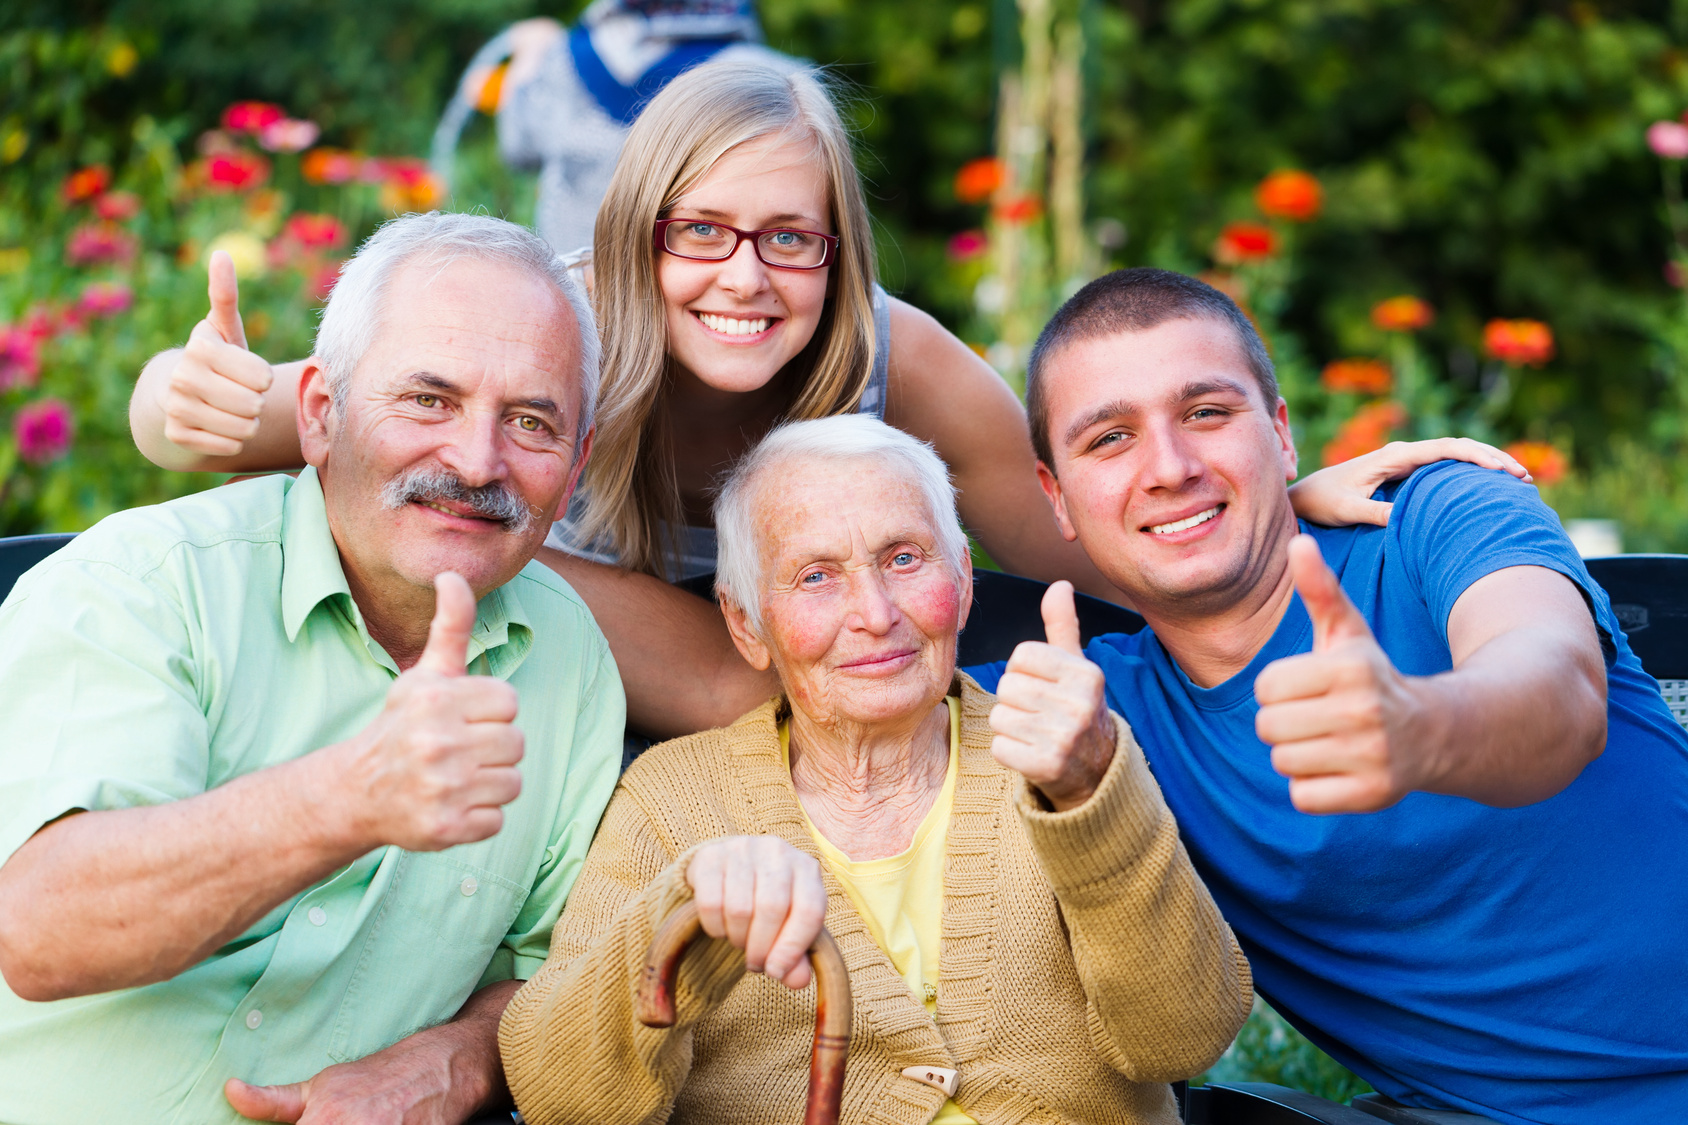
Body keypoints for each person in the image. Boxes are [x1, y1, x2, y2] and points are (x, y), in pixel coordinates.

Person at [129, 61, 1526, 740]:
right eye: (703, 234)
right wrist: (168, 394)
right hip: (515, 709)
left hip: (741, 728)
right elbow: (249, 415)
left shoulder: (886, 359)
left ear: (838, 251)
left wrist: (1278, 494)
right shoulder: (549, 341)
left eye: (789, 238)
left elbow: (1064, 523)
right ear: (639, 236)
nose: (745, 277)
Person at [968, 267, 1688, 1124]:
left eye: (1207, 413)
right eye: (1110, 439)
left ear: (1281, 434)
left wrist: (1417, 728)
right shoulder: (1093, 717)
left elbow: (1556, 688)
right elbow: (796, 681)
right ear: (1057, 499)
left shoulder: (1437, 513)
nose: (1170, 466)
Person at [0, 213, 625, 1124]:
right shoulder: (141, 587)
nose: (476, 459)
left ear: (575, 468)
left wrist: (450, 1062)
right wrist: (348, 796)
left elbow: (550, 973)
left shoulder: (570, 665)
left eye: (531, 420)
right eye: (428, 400)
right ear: (321, 415)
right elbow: (39, 930)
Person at [497, 415, 1252, 1125]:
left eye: (903, 558)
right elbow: (564, 1101)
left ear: (961, 578)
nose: (876, 612)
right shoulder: (671, 801)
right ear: (745, 623)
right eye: (817, 576)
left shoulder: (1070, 752)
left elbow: (1185, 1038)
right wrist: (683, 920)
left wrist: (1094, 795)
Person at [480, 1, 801, 252]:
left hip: (576, 293)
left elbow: (517, 148)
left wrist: (530, 55)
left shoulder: (561, 60)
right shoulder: (774, 79)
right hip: (698, 303)